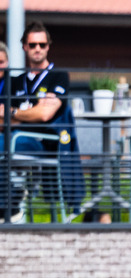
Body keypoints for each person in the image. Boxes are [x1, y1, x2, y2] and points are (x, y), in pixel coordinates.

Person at [4, 23, 83, 221]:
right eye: (32, 45)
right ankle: (12, 201)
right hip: (16, 137)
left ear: (48, 46)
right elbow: (2, 117)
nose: (37, 49)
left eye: (41, 44)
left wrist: (14, 111)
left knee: (5, 143)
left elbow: (45, 114)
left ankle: (11, 207)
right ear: (24, 46)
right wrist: (30, 111)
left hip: (45, 142)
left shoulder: (58, 76)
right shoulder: (15, 81)